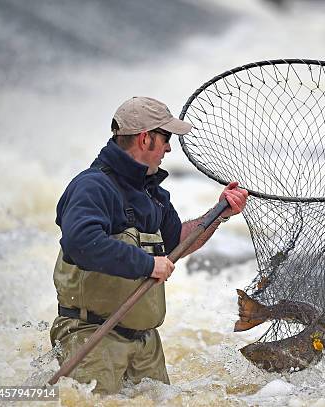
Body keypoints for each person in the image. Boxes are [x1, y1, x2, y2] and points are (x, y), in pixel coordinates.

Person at [50, 96, 249, 394]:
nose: (169, 147)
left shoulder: (152, 193)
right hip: (92, 338)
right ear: (145, 139)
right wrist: (146, 264)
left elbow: (176, 243)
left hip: (145, 344)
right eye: (166, 138)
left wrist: (218, 213)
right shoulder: (92, 187)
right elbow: (82, 243)